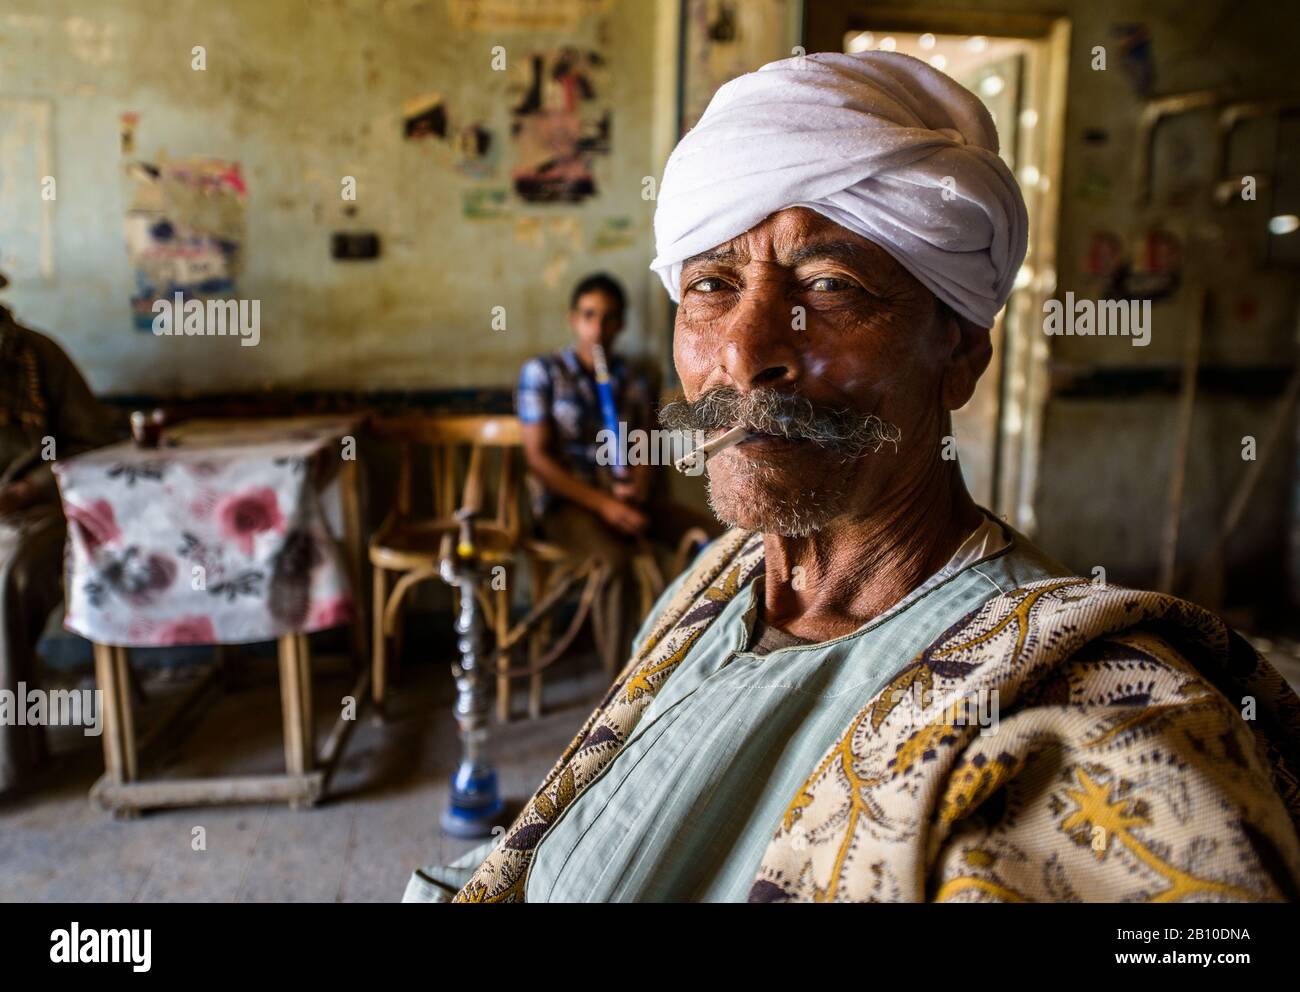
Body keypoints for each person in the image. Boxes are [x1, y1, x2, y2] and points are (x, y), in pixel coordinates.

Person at [407, 52, 1300, 903]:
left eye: (830, 287)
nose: (746, 356)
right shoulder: (713, 583)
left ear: (960, 353)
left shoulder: (1085, 715)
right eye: (712, 284)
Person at [516, 273, 715, 665]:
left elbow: (645, 443)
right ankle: (618, 685)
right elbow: (538, 460)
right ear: (573, 319)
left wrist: (637, 487)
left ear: (621, 323)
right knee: (613, 564)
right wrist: (605, 506)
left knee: (717, 541)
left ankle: (693, 663)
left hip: (627, 498)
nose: (598, 328)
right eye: (589, 316)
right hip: (569, 505)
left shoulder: (633, 378)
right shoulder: (542, 373)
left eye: (609, 318)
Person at [0, 272, 114, 796]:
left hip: (41, 511)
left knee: (10, 580)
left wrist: (25, 490)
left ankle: (11, 761)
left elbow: (90, 442)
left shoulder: (37, 357)